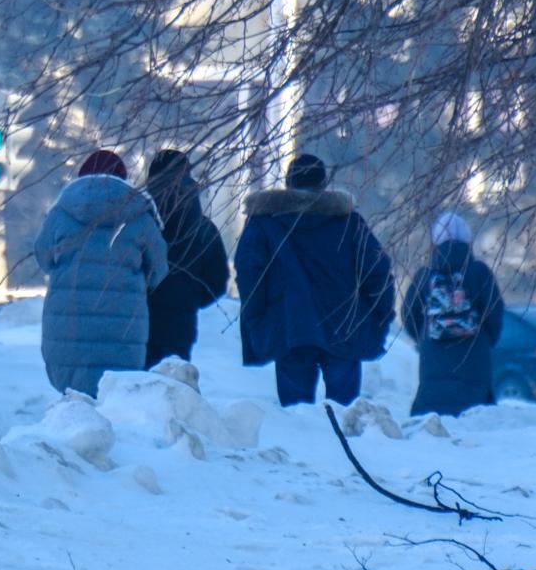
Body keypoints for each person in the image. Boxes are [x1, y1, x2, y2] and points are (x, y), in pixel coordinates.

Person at [234, 153, 395, 406]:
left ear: (289, 182)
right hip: (345, 328)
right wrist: (379, 316)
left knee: (297, 420)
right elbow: (378, 271)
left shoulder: (265, 223)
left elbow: (248, 274)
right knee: (344, 416)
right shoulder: (349, 223)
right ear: (323, 183)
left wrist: (256, 318)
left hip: (289, 328)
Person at [36, 150, 169, 396]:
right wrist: (138, 285)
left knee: (73, 397)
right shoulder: (139, 214)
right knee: (118, 395)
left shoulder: (60, 213)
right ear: (123, 177)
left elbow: (43, 256)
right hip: (124, 321)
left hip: (69, 318)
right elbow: (159, 266)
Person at [400, 211, 507, 417]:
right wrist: (486, 339)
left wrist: (423, 337)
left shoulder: (425, 275)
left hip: (434, 354)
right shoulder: (479, 272)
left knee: (431, 412)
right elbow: (495, 312)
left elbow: (408, 313)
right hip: (474, 353)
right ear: (467, 240)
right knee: (476, 415)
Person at [143, 149, 229, 367]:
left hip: (138, 320)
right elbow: (217, 284)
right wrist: (188, 299)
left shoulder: (138, 221)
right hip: (180, 324)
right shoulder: (204, 228)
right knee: (174, 389)